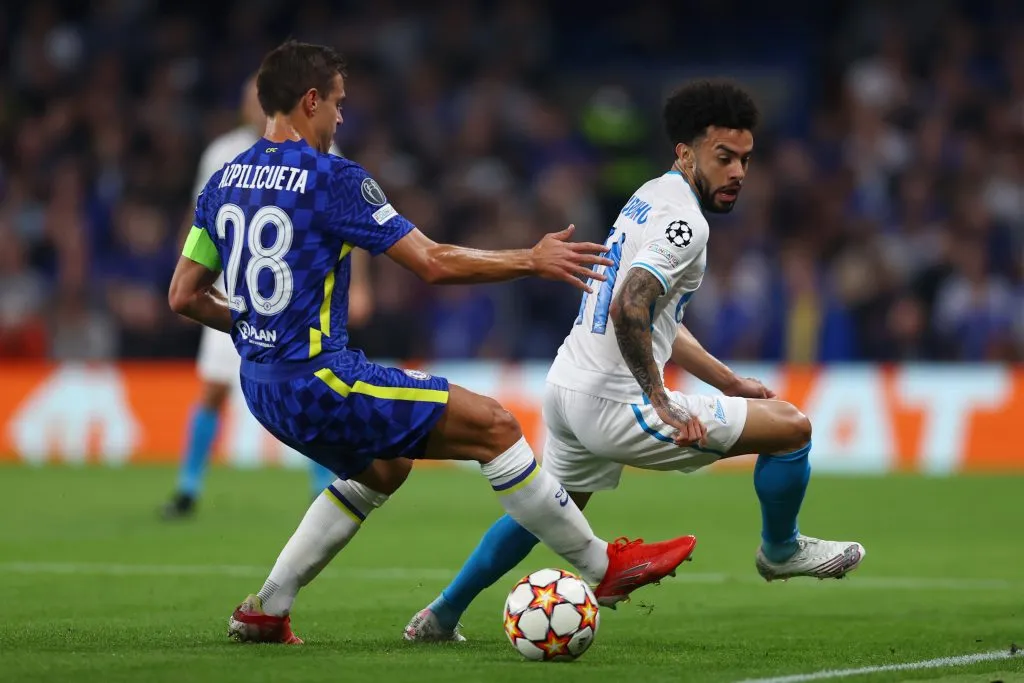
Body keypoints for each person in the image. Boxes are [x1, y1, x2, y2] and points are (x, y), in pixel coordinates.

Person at [167, 40, 699, 645]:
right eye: (337, 104)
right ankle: (604, 567)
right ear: (310, 100)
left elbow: (184, 295)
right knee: (495, 426)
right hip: (318, 378)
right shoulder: (333, 178)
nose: (342, 117)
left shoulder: (220, 183)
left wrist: (256, 329)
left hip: (261, 384)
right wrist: (531, 257)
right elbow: (432, 263)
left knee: (384, 467)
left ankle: (268, 606)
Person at [404, 80, 866, 642]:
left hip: (567, 387)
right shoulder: (686, 224)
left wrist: (727, 381)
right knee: (792, 429)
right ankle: (781, 550)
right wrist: (661, 400)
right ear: (685, 152)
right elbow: (631, 306)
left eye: (745, 159)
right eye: (724, 158)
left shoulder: (650, 195)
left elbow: (655, 316)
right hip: (613, 401)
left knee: (547, 509)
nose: (738, 172)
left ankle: (441, 614)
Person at [162, 74, 374, 519]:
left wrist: (364, 286)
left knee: (311, 387)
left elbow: (356, 225)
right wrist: (187, 279)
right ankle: (188, 487)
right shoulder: (222, 153)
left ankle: (321, 486)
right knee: (214, 390)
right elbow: (197, 217)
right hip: (233, 294)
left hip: (297, 300)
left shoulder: (324, 152)